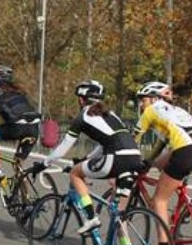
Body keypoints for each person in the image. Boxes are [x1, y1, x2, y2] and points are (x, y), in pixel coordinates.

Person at [42, 80, 145, 236]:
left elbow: (62, 149)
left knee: (75, 174)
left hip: (115, 158)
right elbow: (108, 141)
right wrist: (87, 158)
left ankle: (90, 217)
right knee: (118, 213)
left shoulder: (82, 117)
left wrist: (44, 163)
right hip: (135, 156)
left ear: (81, 99)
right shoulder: (111, 114)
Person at [133, 80, 192, 245]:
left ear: (154, 99)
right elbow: (162, 144)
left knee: (159, 200)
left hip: (184, 152)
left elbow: (131, 140)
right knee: (160, 167)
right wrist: (148, 162)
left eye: (143, 100)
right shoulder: (179, 111)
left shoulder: (151, 111)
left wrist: (128, 162)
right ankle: (179, 215)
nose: (141, 104)